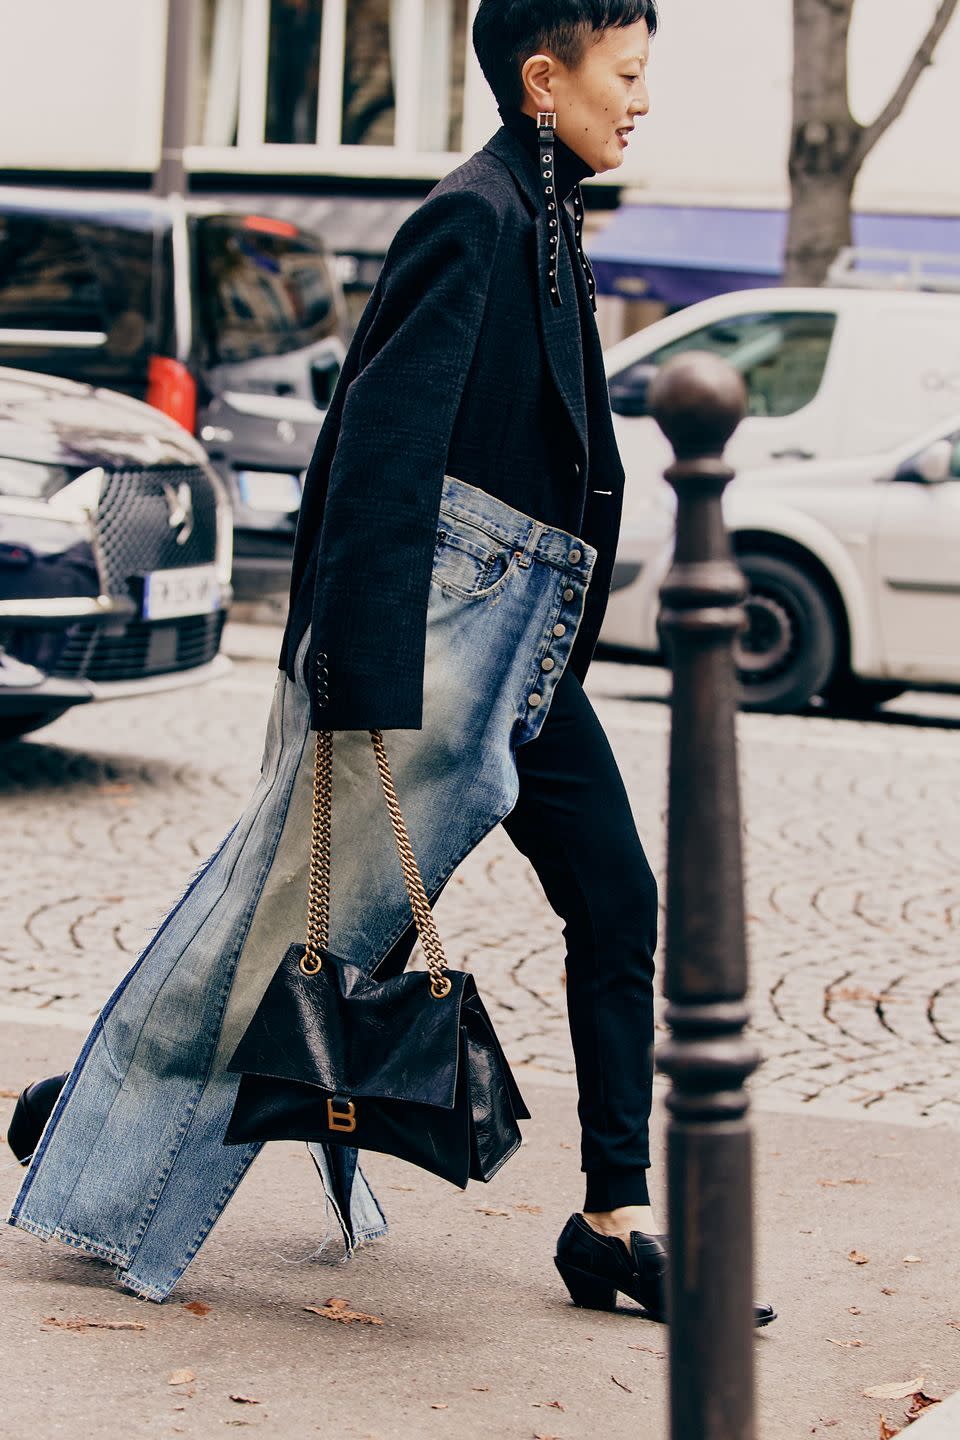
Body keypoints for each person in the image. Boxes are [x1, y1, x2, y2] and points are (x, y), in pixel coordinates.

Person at [8, 0, 774, 1326]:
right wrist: (361, 684)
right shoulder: (472, 217)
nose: (645, 100)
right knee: (297, 930)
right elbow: (375, 453)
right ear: (548, 77)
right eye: (629, 73)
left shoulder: (547, 221)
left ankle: (616, 1216)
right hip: (434, 651)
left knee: (616, 897)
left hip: (525, 658)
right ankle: (88, 1120)